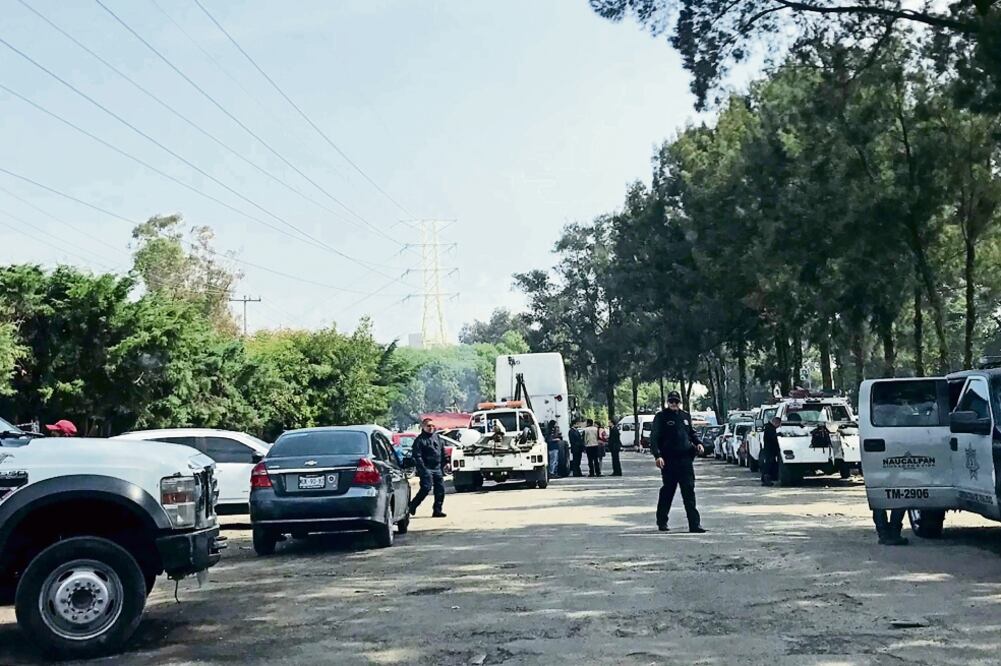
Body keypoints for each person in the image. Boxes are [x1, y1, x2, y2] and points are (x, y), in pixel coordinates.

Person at [650, 391, 705, 532]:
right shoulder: (661, 417)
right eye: (671, 401)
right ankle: (662, 521)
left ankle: (694, 524)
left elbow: (691, 433)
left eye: (676, 401)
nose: (674, 404)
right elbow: (654, 438)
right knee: (668, 492)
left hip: (685, 460)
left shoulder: (685, 416)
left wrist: (698, 443)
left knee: (689, 491)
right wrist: (657, 456)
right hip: (669, 461)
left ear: (680, 402)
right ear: (667, 402)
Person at [409, 418, 447, 518]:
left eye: (432, 426)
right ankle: (412, 505)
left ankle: (437, 510)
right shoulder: (419, 440)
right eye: (428, 426)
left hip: (437, 468)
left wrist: (445, 462)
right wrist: (423, 469)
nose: (431, 428)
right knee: (426, 488)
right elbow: (417, 456)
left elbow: (442, 451)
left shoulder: (437, 437)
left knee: (440, 490)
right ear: (423, 427)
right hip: (426, 468)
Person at [761, 415, 782, 486]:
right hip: (769, 450)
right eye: (778, 424)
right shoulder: (769, 428)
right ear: (776, 422)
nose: (778, 426)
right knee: (768, 465)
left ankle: (767, 479)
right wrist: (778, 435)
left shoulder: (769, 427)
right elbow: (772, 437)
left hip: (770, 450)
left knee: (770, 464)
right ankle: (766, 480)